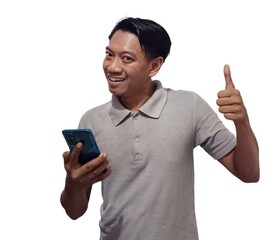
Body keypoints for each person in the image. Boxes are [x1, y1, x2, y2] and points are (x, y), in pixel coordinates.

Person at [60, 17, 260, 240]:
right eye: (109, 54)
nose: (113, 66)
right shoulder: (92, 120)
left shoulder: (189, 106)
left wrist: (241, 121)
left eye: (126, 58)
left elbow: (249, 173)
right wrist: (73, 183)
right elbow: (74, 212)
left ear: (154, 66)